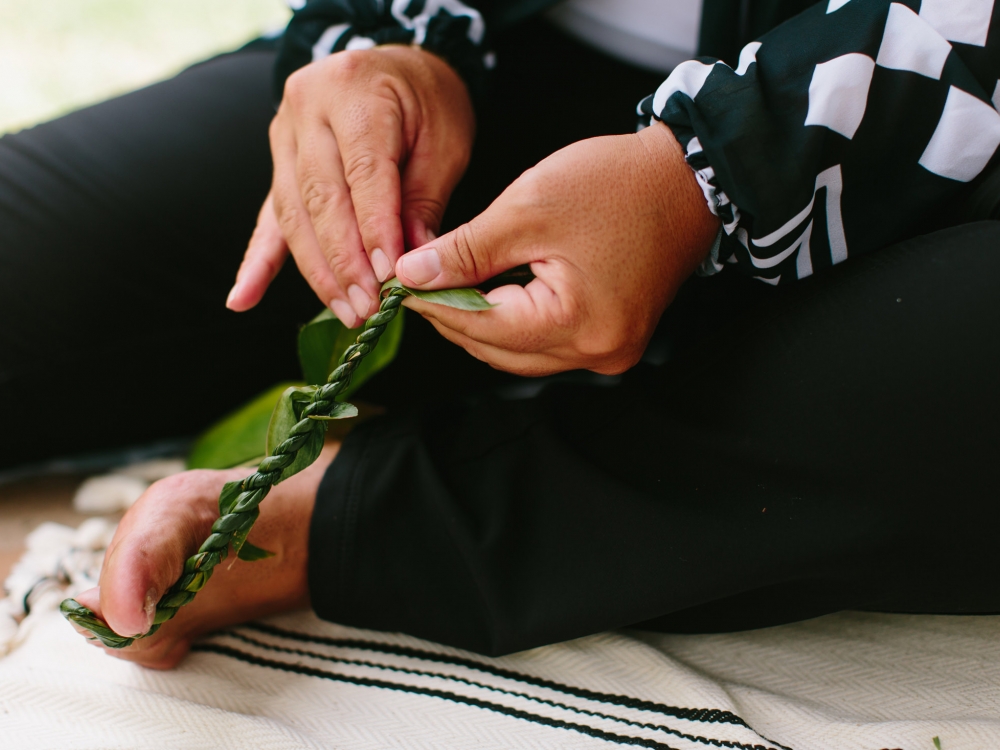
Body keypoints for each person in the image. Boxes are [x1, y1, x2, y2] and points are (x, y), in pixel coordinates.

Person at [3, 0, 1000, 670]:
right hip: (511, 64)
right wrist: (380, 35)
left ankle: (364, 517)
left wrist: (714, 169)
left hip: (925, 126)